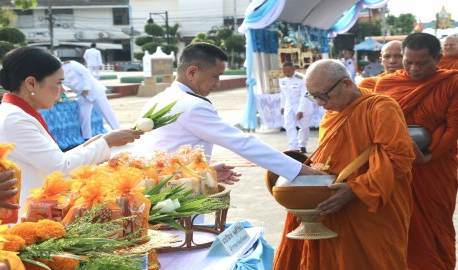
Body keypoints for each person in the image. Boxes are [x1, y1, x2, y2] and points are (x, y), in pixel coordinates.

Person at [274, 59, 415, 269]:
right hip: (331, 207)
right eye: (313, 97)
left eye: (323, 95)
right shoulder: (332, 115)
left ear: (347, 84)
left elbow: (399, 158)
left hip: (369, 210)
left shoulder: (380, 107)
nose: (320, 103)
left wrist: (355, 189)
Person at [133, 43, 323, 185]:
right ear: (192, 73)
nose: (218, 84)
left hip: (158, 187)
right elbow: (242, 143)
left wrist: (206, 173)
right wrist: (298, 170)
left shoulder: (160, 98)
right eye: (215, 76)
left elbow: (168, 150)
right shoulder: (192, 105)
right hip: (175, 197)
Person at [0, 47, 142, 216]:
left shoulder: (17, 113)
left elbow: (51, 160)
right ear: (31, 83)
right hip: (24, 214)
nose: (62, 91)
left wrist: (88, 146)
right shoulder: (15, 119)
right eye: (59, 83)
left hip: (33, 206)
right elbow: (60, 167)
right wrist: (107, 142)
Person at [374, 32, 458, 270]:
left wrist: (428, 156)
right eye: (408, 62)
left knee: (435, 223)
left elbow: (453, 127)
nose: (414, 69)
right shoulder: (386, 84)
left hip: (435, 165)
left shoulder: (452, 82)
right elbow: (377, 125)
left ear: (438, 58)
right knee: (398, 224)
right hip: (397, 168)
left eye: (422, 63)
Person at [62, 60, 121, 141]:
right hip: (81, 95)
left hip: (94, 90)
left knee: (107, 113)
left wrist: (87, 88)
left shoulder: (71, 64)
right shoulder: (55, 74)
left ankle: (119, 132)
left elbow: (86, 73)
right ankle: (87, 138)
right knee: (84, 116)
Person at [279, 61, 314, 153]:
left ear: (294, 69)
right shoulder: (283, 80)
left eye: (288, 71)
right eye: (284, 71)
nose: (286, 73)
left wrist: (301, 110)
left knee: (304, 127)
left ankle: (302, 145)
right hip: (289, 106)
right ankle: (293, 147)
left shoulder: (301, 79)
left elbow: (305, 95)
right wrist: (282, 106)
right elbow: (283, 94)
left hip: (302, 105)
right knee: (289, 126)